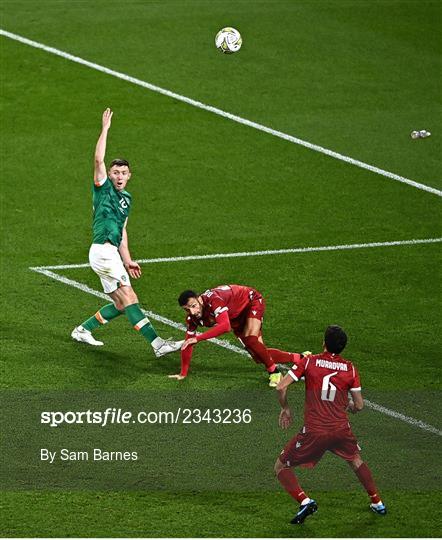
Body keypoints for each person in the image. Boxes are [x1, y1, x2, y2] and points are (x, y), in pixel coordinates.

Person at [71, 108, 183, 358]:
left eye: (123, 173)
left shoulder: (127, 199)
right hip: (102, 251)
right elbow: (98, 160)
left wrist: (128, 259)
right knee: (130, 297)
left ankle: (82, 330)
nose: (119, 176)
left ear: (129, 176)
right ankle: (158, 344)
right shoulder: (102, 189)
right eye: (115, 172)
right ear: (109, 175)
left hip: (111, 253)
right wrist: (105, 129)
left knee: (121, 304)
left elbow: (122, 231)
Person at [275, 325, 386, 524]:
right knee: (355, 460)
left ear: (323, 343)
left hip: (315, 431)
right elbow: (359, 405)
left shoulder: (309, 362)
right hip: (341, 430)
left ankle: (305, 501)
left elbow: (281, 386)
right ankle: (377, 502)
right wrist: (349, 405)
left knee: (281, 466)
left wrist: (286, 408)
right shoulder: (350, 368)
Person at [169, 285, 301, 387]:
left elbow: (225, 326)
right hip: (235, 317)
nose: (192, 312)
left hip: (250, 303)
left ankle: (275, 373)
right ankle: (299, 358)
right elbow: (188, 344)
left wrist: (198, 338)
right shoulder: (192, 318)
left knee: (251, 340)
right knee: (258, 356)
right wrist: (183, 373)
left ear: (199, 299)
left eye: (194, 306)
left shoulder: (213, 300)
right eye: (187, 309)